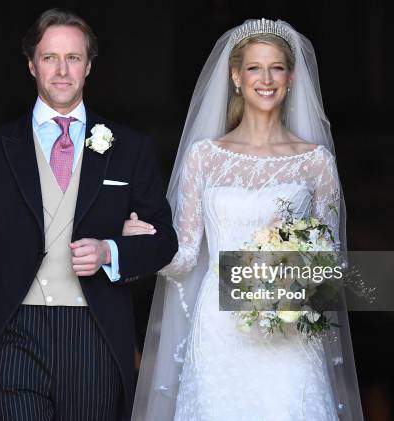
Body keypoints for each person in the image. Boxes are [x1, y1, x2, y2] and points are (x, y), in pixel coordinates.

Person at [0, 8, 177, 420]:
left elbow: (165, 241)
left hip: (95, 335)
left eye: (74, 58)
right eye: (50, 58)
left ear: (89, 66)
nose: (62, 70)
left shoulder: (130, 147)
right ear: (32, 65)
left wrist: (110, 251)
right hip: (15, 332)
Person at [129, 19, 364, 420]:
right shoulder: (205, 156)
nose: (266, 78)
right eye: (255, 67)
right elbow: (185, 256)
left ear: (290, 77)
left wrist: (287, 284)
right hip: (219, 334)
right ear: (236, 76)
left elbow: (332, 266)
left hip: (289, 339)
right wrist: (145, 243)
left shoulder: (315, 162)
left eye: (276, 67)